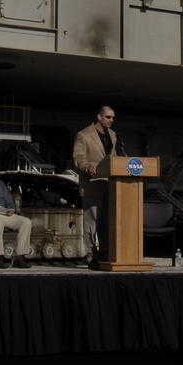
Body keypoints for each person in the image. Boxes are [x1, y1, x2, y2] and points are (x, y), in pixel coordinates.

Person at [72, 105, 120, 264]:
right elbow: (79, 158)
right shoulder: (84, 135)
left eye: (113, 117)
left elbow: (113, 158)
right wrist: (88, 166)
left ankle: (106, 253)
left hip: (110, 186)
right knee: (91, 223)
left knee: (107, 223)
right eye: (108, 117)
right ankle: (91, 255)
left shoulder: (113, 135)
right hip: (92, 184)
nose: (111, 120)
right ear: (99, 117)